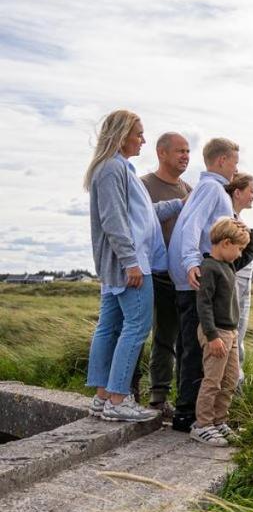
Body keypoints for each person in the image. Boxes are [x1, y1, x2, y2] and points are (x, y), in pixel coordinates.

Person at [84, 111, 184, 421]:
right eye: (138, 134)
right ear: (122, 134)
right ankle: (118, 400)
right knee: (137, 327)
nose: (142, 139)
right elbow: (114, 221)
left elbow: (144, 214)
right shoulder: (114, 169)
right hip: (130, 264)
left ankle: (103, 397)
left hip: (119, 265)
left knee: (109, 327)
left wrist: (180, 203)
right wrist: (131, 262)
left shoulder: (117, 168)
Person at [168, 137, 239, 433]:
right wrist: (190, 263)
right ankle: (192, 416)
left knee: (189, 346)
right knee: (198, 351)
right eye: (234, 161)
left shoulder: (208, 188)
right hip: (196, 278)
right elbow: (192, 226)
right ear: (221, 160)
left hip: (192, 276)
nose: (237, 167)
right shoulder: (212, 188)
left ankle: (192, 413)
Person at [131, 132, 191, 419]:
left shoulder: (188, 189)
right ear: (161, 153)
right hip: (149, 273)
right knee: (146, 335)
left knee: (179, 338)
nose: (185, 156)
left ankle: (172, 398)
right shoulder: (144, 185)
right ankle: (143, 396)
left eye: (188, 151)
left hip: (179, 275)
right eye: (180, 151)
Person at [192, 217, 250, 447]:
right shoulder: (210, 268)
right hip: (215, 333)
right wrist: (212, 336)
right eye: (238, 248)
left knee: (230, 380)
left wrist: (245, 229)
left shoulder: (228, 265)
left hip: (231, 333)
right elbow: (203, 305)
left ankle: (219, 420)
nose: (240, 254)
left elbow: (250, 249)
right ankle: (202, 425)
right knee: (213, 381)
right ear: (225, 243)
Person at [226, 172, 253, 389]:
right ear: (237, 193)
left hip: (243, 281)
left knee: (239, 338)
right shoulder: (229, 221)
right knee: (234, 336)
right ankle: (232, 391)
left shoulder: (238, 220)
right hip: (236, 281)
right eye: (252, 191)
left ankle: (235, 389)